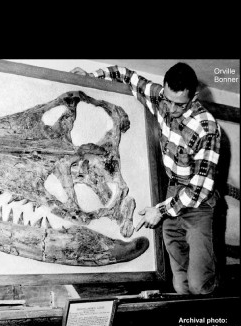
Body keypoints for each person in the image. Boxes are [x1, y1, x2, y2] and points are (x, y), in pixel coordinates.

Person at [71, 62, 221, 295]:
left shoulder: (207, 128)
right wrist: (91, 76)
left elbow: (198, 190)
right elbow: (124, 75)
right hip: (174, 191)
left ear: (194, 97)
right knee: (180, 284)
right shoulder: (161, 97)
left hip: (199, 205)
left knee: (199, 285)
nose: (170, 108)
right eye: (167, 100)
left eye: (179, 104)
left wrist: (160, 211)